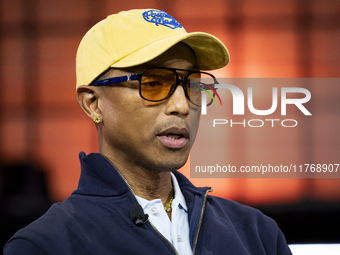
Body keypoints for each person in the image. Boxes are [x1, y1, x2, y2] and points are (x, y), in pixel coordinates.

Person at [3, 9, 292, 255]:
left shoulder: (257, 234)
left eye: (192, 85)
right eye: (153, 83)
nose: (181, 105)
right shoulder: (47, 244)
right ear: (93, 103)